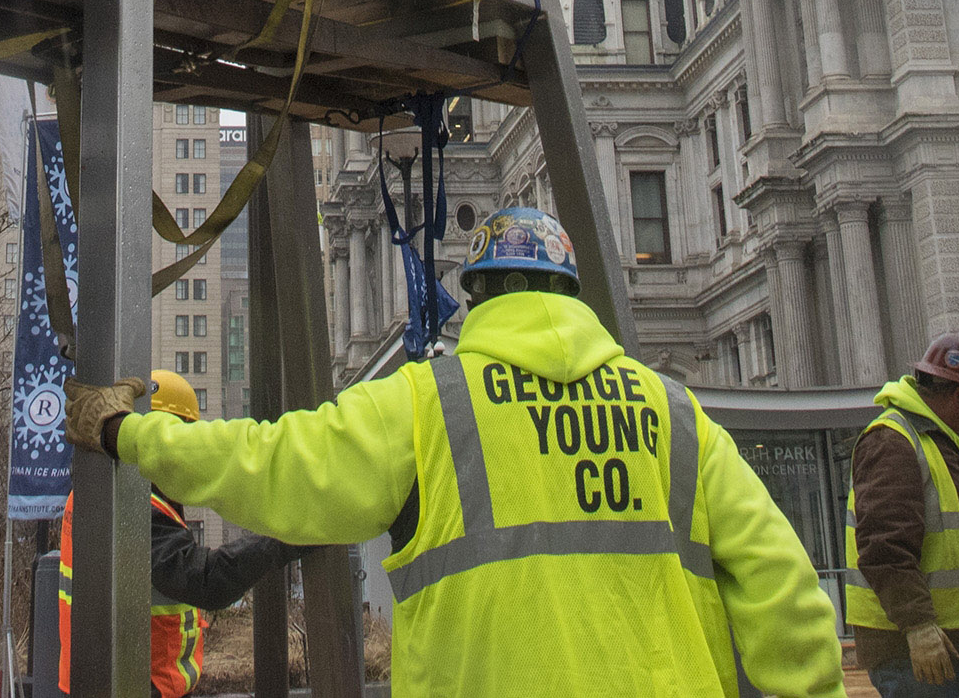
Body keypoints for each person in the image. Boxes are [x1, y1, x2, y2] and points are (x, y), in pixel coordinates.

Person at [62, 205, 844, 697]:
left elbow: (270, 464)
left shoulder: (428, 402)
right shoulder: (674, 413)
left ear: (477, 295)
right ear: (571, 294)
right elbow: (785, 587)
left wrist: (126, 431)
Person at [57, 368, 307, 695]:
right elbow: (204, 580)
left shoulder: (109, 493)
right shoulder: (133, 507)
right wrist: (291, 535)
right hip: (134, 686)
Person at [847, 331, 959, 694]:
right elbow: (884, 547)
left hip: (945, 643)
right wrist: (918, 626)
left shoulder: (941, 441)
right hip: (915, 649)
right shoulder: (894, 440)